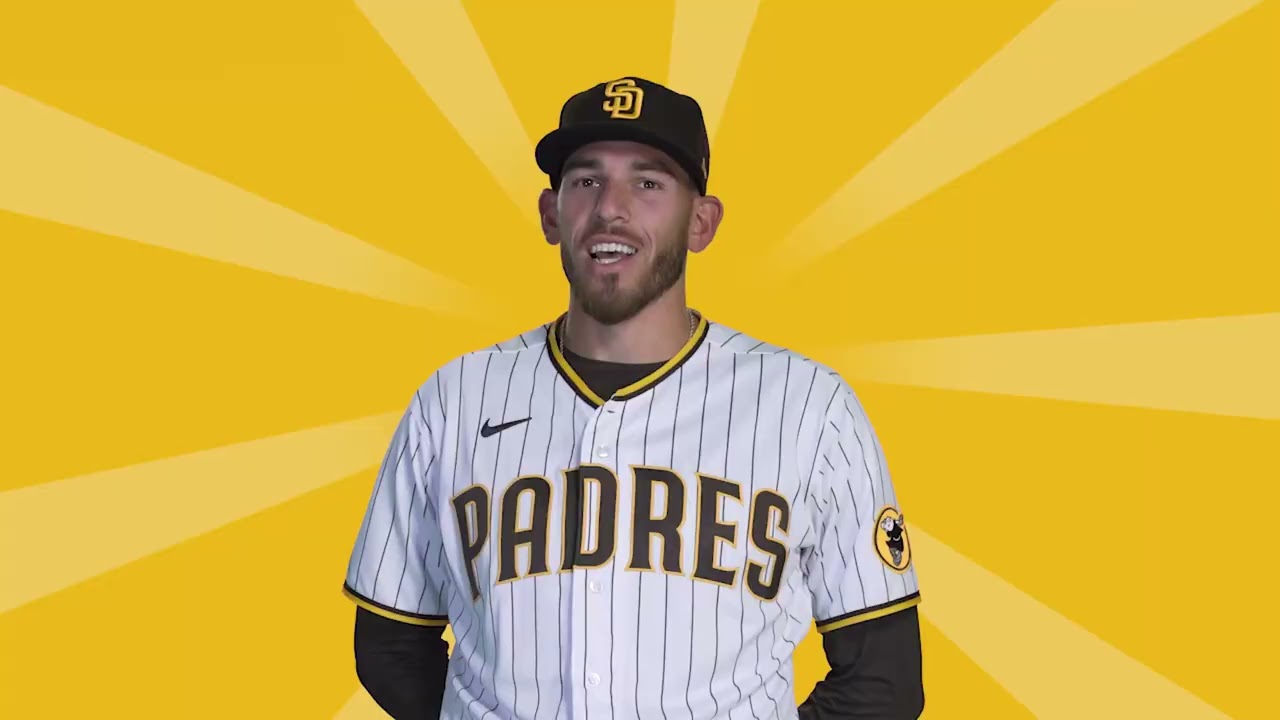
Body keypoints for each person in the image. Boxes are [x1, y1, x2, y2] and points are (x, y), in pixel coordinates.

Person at [342, 76, 925, 720]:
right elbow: (390, 644)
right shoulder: (452, 401)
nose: (610, 208)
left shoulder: (810, 408)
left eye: (648, 183)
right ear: (550, 212)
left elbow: (884, 682)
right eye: (586, 180)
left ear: (700, 222)